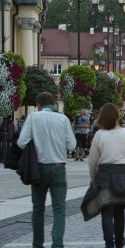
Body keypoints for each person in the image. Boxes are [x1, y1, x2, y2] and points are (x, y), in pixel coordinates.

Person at [17, 92, 76, 248]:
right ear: (54, 104)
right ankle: (57, 244)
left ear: (39, 105)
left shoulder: (33, 118)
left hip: (39, 169)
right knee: (59, 209)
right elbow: (72, 145)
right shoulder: (63, 119)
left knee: (38, 209)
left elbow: (22, 142)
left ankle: (37, 244)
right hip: (58, 168)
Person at [84, 103, 125, 248]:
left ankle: (109, 245)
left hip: (105, 175)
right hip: (122, 175)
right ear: (117, 116)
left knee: (106, 211)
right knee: (120, 211)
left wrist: (94, 179)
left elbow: (93, 160)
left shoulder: (99, 135)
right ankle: (119, 243)